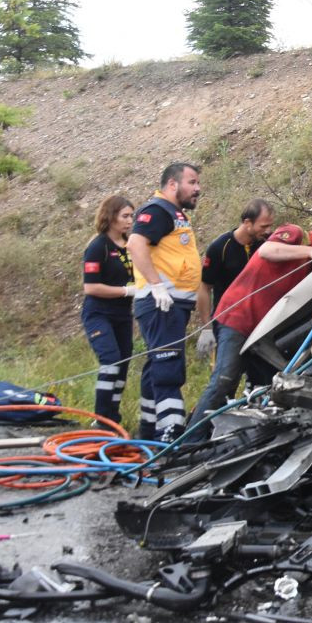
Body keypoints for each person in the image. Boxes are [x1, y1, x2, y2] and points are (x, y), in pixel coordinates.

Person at [189, 214, 312, 430]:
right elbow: (267, 250)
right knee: (224, 381)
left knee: (272, 385)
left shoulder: (311, 266)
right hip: (239, 317)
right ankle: (188, 442)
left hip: (260, 331)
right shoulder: (297, 234)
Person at [127, 162, 205, 441]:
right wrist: (156, 285)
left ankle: (148, 430)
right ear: (173, 184)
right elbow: (135, 244)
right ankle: (170, 430)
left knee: (156, 366)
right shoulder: (158, 210)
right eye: (192, 182)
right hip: (162, 302)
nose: (197, 189)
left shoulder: (175, 213)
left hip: (174, 303)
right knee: (168, 364)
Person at [81, 195, 137, 423]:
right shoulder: (98, 247)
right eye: (125, 216)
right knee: (111, 359)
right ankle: (101, 417)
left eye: (132, 216)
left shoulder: (132, 244)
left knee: (123, 364)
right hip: (99, 314)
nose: (129, 221)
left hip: (123, 315)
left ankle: (113, 417)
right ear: (111, 217)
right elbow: (91, 287)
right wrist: (126, 291)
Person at [195, 198, 275, 358]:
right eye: (264, 226)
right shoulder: (219, 247)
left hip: (261, 320)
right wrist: (206, 328)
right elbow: (204, 288)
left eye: (270, 225)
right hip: (227, 321)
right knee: (226, 376)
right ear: (247, 223)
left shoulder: (269, 243)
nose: (268, 230)